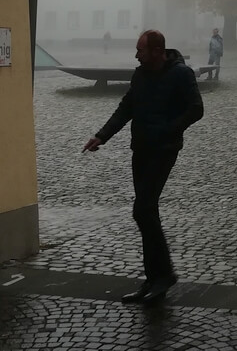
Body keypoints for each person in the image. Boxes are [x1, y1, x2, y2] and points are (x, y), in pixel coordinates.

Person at [81, 30, 203, 304]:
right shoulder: (141, 74)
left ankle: (164, 275)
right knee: (145, 212)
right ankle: (154, 277)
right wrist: (102, 135)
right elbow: (126, 108)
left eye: (141, 51)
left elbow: (196, 109)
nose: (137, 55)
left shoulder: (182, 74)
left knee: (143, 208)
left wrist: (168, 130)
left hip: (164, 150)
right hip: (141, 148)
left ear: (158, 51)